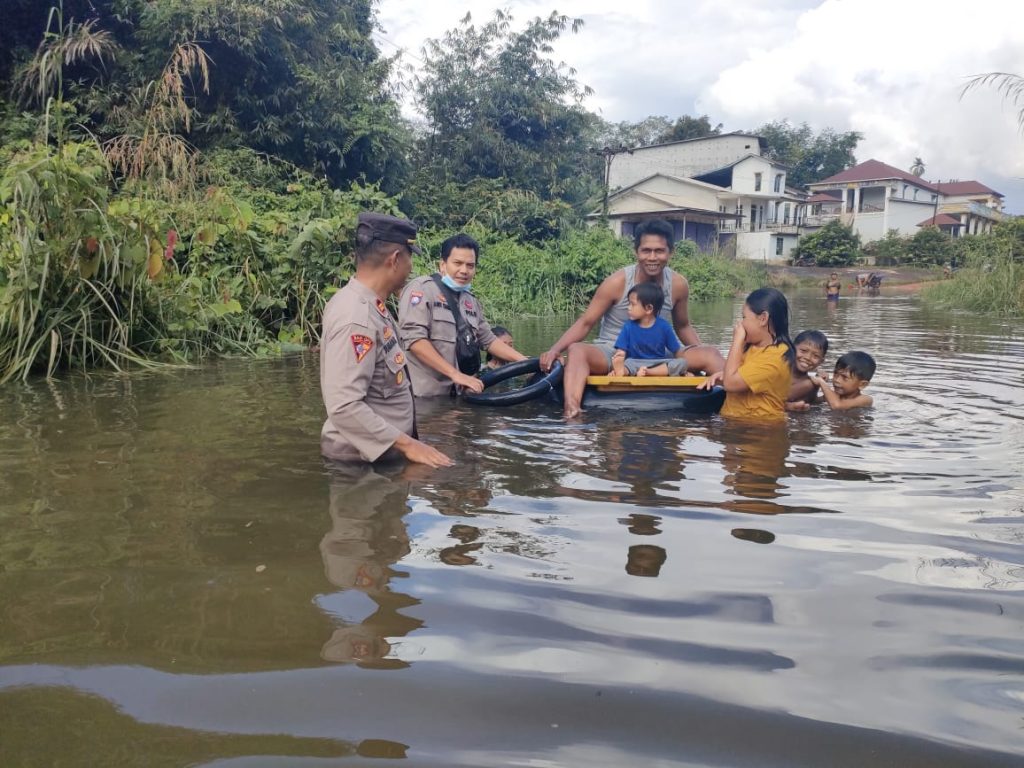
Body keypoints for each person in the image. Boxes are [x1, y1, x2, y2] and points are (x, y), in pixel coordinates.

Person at [539, 219, 724, 418]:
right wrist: (555, 350)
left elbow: (683, 326)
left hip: (658, 353)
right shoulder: (617, 282)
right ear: (636, 252)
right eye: (646, 250)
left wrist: (698, 360)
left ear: (671, 252)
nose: (652, 257)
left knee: (711, 354)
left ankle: (734, 400)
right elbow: (586, 322)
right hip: (615, 351)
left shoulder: (678, 284)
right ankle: (572, 410)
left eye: (659, 251)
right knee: (576, 350)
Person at [319, 212, 453, 468]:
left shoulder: (373, 307)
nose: (411, 268)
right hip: (361, 466)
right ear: (395, 259)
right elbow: (344, 406)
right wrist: (410, 445)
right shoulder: (356, 317)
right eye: (410, 258)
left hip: (382, 458)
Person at [399, 233, 525, 396]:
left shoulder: (471, 301)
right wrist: (455, 374)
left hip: (459, 396)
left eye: (470, 265)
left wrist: (524, 361)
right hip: (424, 398)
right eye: (457, 263)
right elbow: (415, 340)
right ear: (442, 264)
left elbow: (488, 339)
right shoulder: (421, 290)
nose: (464, 270)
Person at [700, 287, 794, 421]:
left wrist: (737, 340)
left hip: (758, 430)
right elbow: (736, 375)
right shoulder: (753, 345)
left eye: (744, 317)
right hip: (736, 424)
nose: (740, 323)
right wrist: (721, 376)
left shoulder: (776, 356)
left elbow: (731, 384)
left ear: (763, 318)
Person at [610, 282, 689, 377]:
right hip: (635, 362)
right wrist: (619, 359)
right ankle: (621, 371)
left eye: (632, 304)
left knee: (682, 362)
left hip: (658, 363)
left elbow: (677, 351)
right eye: (629, 304)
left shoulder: (664, 326)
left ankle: (647, 372)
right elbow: (621, 351)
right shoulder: (628, 326)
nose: (628, 308)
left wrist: (685, 370)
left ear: (649, 308)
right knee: (627, 363)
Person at [809, 351, 875, 410]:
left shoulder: (865, 400)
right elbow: (811, 402)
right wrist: (816, 385)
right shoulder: (833, 396)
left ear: (862, 384)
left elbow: (837, 406)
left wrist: (821, 382)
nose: (836, 380)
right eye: (835, 374)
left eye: (844, 377)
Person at [786, 329, 829, 411]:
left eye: (815, 356)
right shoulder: (777, 370)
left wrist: (825, 396)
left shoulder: (812, 382)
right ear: (791, 348)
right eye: (803, 351)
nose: (807, 358)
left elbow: (810, 401)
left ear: (821, 361)